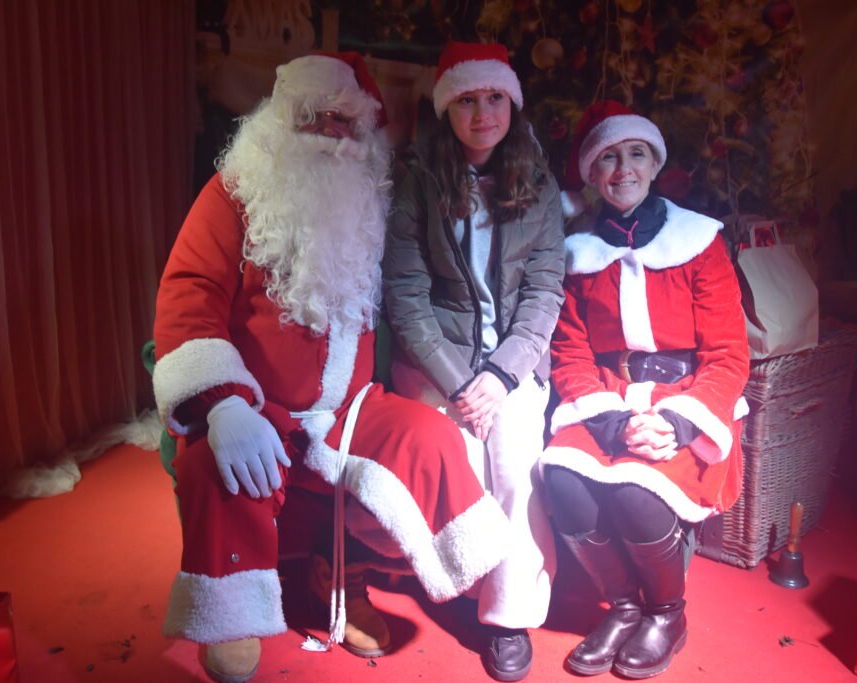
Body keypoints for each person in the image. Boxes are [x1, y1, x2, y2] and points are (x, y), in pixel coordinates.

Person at [152, 52, 511, 683]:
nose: (329, 132)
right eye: (310, 116)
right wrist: (224, 403)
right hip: (254, 404)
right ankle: (231, 617)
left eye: (343, 120)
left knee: (429, 443)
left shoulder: (375, 198)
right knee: (216, 468)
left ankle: (340, 575)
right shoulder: (232, 193)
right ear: (277, 123)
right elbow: (189, 294)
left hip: (349, 408)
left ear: (363, 130)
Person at [539, 100, 750, 679]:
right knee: (562, 479)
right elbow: (570, 352)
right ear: (591, 173)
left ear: (655, 164)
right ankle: (624, 607)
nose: (623, 169)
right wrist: (612, 422)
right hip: (610, 400)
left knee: (636, 492)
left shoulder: (699, 242)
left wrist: (677, 422)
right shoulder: (579, 255)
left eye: (636, 154)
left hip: (689, 399)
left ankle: (665, 613)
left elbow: (729, 354)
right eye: (608, 158)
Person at [383, 41, 565, 683]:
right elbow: (405, 296)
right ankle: (463, 582)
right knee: (459, 459)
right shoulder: (419, 181)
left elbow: (544, 292)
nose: (483, 113)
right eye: (466, 100)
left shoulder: (538, 184)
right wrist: (462, 384)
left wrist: (502, 375)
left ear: (511, 104)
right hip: (442, 365)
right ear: (446, 109)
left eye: (494, 98)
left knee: (515, 464)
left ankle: (509, 616)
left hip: (514, 363)